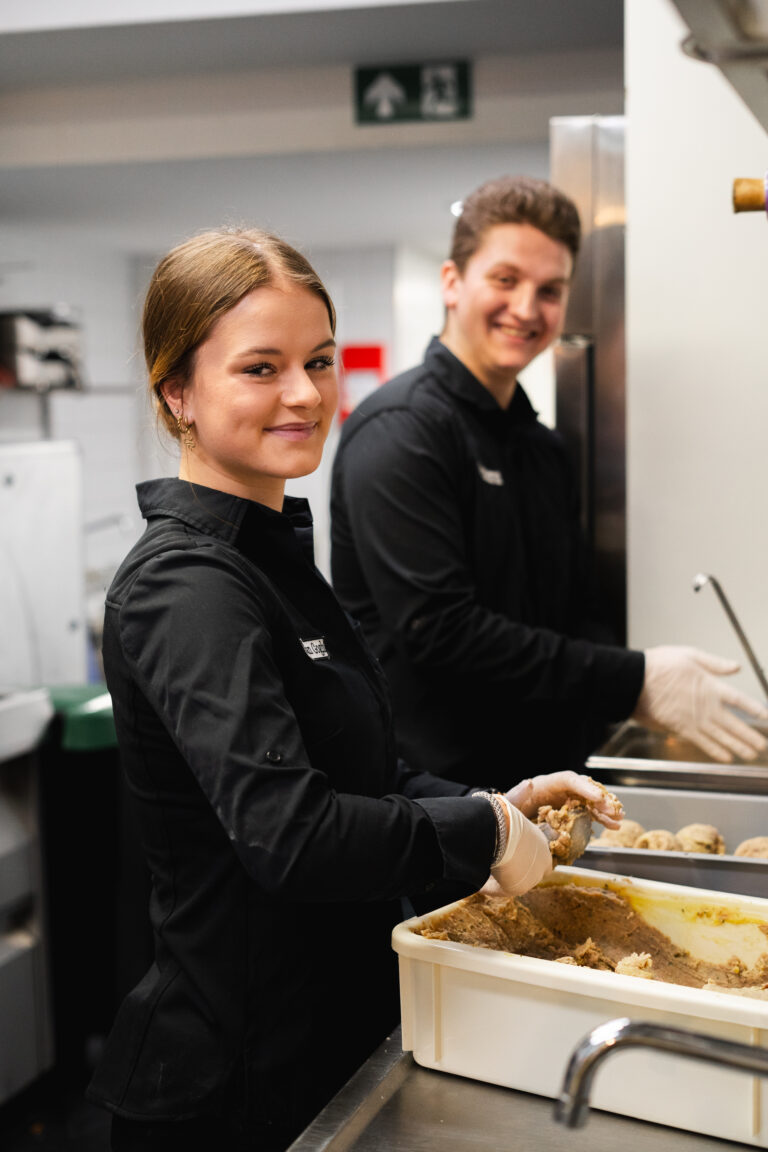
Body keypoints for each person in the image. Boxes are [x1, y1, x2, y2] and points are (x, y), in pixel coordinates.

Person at [85, 226, 621, 1152]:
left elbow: (362, 772)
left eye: (320, 361)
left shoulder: (273, 555)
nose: (305, 394)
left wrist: (497, 802)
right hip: (229, 1085)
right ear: (178, 391)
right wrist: (482, 833)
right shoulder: (188, 585)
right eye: (261, 368)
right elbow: (291, 837)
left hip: (324, 1039)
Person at [330, 176, 768, 786]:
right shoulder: (403, 429)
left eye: (551, 290)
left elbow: (575, 614)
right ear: (453, 283)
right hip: (437, 807)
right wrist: (634, 679)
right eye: (505, 280)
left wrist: (630, 710)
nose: (528, 309)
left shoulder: (543, 449)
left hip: (548, 792)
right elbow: (443, 633)